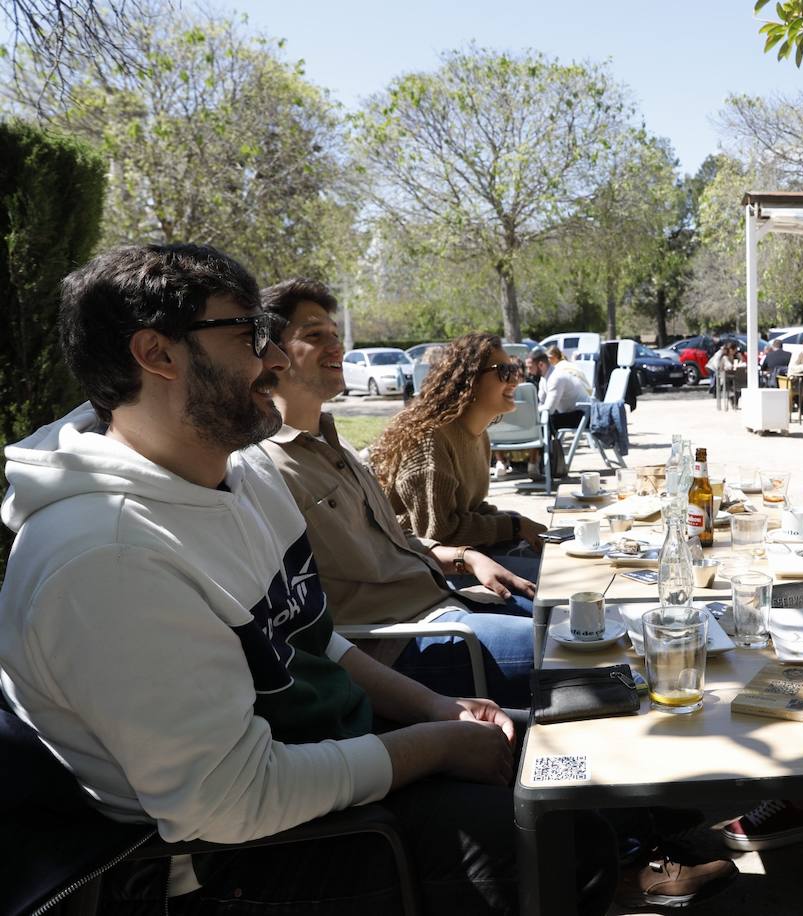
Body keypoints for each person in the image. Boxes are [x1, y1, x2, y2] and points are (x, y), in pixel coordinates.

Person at [0, 244, 617, 914]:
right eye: (247, 335)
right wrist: (434, 746)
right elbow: (233, 802)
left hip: (343, 760)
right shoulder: (107, 559)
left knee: (587, 753)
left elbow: (317, 643)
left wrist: (436, 709)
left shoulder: (243, 472)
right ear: (156, 354)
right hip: (244, 859)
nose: (272, 360)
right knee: (569, 837)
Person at [258, 278, 537, 707]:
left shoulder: (338, 444)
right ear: (271, 355)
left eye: (335, 335)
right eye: (315, 336)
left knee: (576, 616)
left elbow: (397, 538)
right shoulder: (262, 468)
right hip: (400, 642)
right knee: (566, 648)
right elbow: (296, 624)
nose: (336, 347)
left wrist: (464, 556)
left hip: (443, 601)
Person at [369, 333, 547, 583]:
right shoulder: (430, 439)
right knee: (547, 587)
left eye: (516, 370)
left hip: (463, 555)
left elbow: (469, 509)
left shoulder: (478, 435)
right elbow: (438, 532)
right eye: (505, 371)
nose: (516, 380)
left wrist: (518, 523)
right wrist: (513, 527)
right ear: (471, 379)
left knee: (553, 561)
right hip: (419, 572)